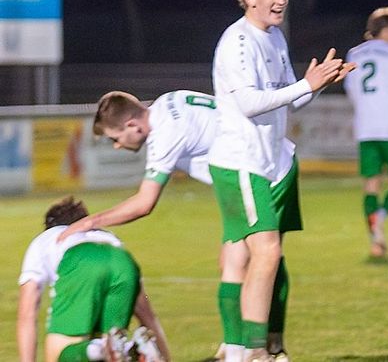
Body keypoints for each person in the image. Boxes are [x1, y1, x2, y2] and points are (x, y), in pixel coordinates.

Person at [56, 90, 295, 361]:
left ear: (133, 125)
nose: (117, 146)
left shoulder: (165, 133)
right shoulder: (170, 100)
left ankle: (259, 349)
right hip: (261, 166)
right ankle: (241, 349)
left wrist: (89, 222)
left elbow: (145, 203)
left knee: (252, 259)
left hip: (263, 174)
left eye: (116, 138)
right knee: (238, 260)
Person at [208, 0, 353, 362]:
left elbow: (291, 101)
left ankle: (250, 348)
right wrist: (304, 84)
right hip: (242, 162)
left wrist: (319, 83)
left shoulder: (274, 38)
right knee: (265, 253)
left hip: (273, 162)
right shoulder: (238, 42)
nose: (280, 0)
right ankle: (254, 351)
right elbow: (252, 104)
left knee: (259, 255)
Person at [18, 196, 169, 362]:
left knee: (58, 354)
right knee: (114, 354)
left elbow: (27, 314)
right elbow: (146, 312)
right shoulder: (106, 236)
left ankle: (100, 349)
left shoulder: (45, 239)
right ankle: (136, 349)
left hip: (81, 261)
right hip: (123, 261)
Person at [343, 7, 388, 257]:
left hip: (366, 126)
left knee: (371, 184)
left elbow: (351, 91)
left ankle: (376, 241)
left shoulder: (354, 54)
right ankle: (381, 217)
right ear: (386, 29)